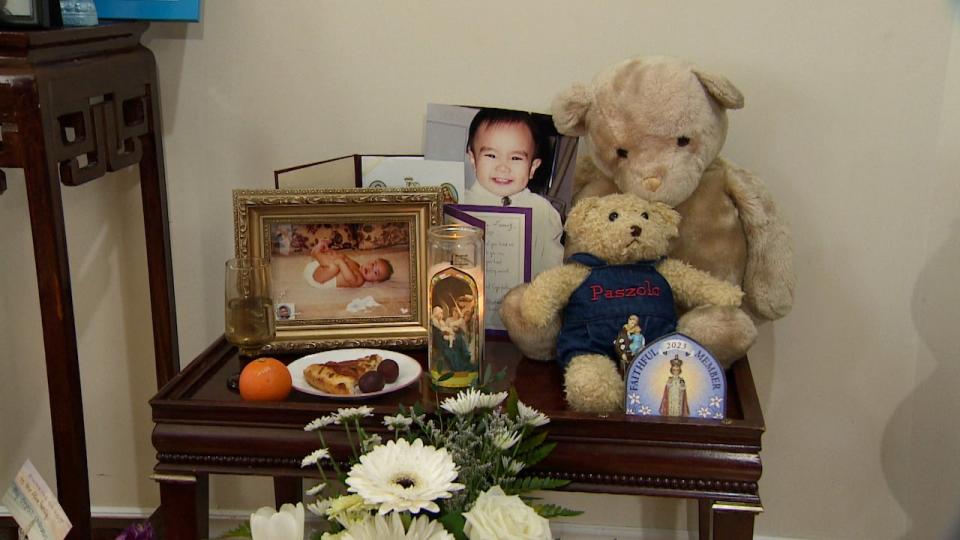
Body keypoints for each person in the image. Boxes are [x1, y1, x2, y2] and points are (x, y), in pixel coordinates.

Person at [463, 108, 564, 279]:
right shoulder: (458, 205)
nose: (503, 167)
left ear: (532, 167)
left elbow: (553, 273)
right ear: (473, 159)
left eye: (516, 158)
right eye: (491, 155)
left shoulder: (543, 212)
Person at [304, 238, 393, 289]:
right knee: (339, 257)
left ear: (375, 282)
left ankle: (316, 253)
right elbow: (343, 257)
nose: (371, 269)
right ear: (370, 261)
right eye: (373, 264)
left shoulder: (360, 281)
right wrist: (330, 252)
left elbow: (349, 279)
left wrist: (340, 262)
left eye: (376, 272)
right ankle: (321, 251)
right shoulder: (357, 265)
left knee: (335, 267)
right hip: (318, 267)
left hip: (320, 280)